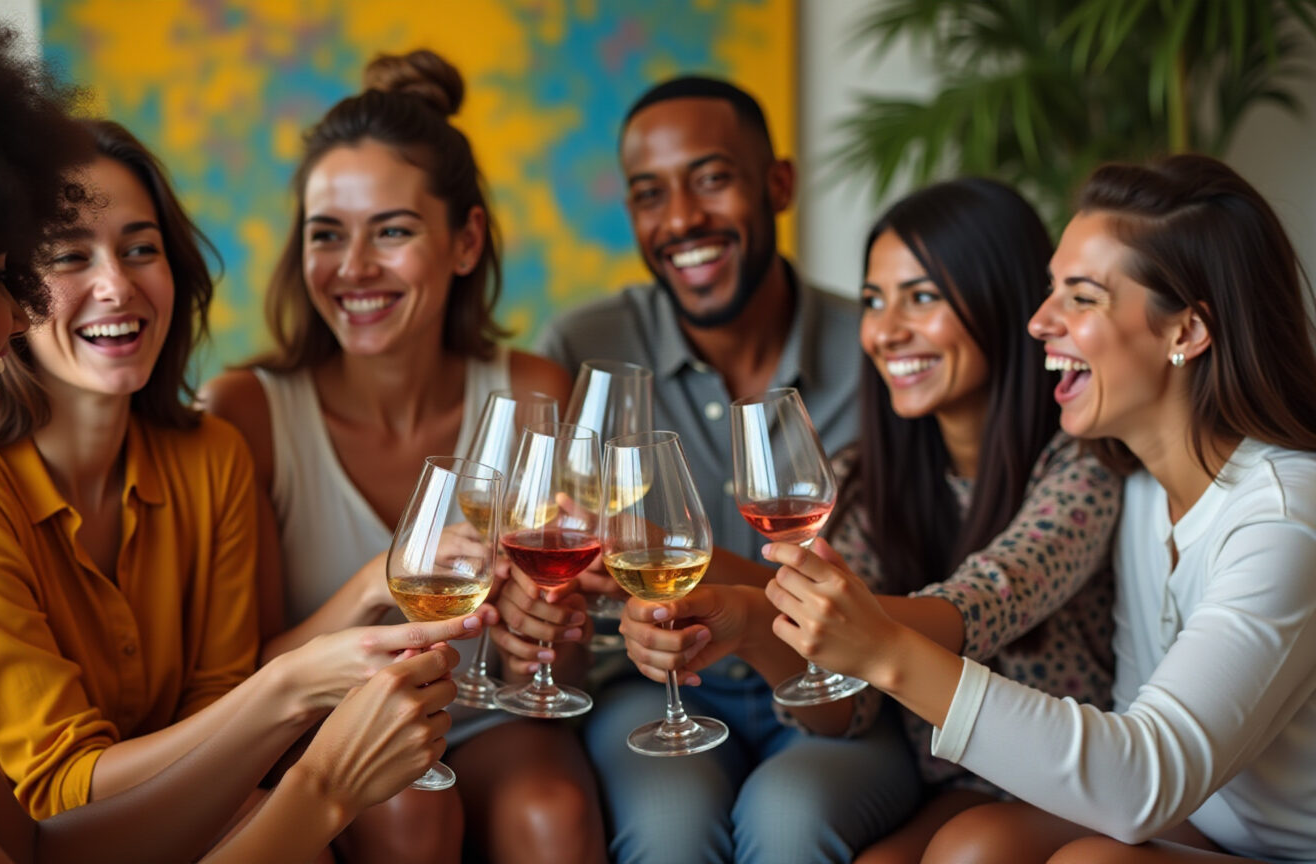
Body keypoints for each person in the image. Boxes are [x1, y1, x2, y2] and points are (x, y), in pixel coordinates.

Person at [0, 2, 464, 863]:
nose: (16, 311)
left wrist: (295, 690)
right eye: (8, 276)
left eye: (141, 251)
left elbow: (39, 847)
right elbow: (63, 796)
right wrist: (320, 781)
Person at [0, 115, 493, 837]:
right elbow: (59, 794)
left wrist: (357, 608)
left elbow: (218, 705)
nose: (117, 286)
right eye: (70, 257)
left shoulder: (212, 457)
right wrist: (289, 689)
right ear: (9, 292)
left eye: (141, 250)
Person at [761, 154, 1316, 864]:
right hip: (1203, 822)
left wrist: (887, 650)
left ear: (1186, 332)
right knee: (968, 849)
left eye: (1080, 298)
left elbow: (1143, 779)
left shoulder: (1284, 517)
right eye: (1050, 290)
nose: (1036, 322)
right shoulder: (1139, 484)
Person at [619, 178, 1122, 862]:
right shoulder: (866, 472)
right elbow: (839, 710)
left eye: (922, 297)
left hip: (1070, 780)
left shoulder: (1082, 462)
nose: (886, 332)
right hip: (956, 783)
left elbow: (988, 600)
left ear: (1007, 301)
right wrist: (746, 630)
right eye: (872, 301)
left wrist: (755, 604)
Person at [201, 50, 606, 864]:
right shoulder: (248, 411)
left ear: (465, 242)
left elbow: (569, 649)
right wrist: (376, 583)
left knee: (551, 812)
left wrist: (549, 631)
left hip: (486, 711)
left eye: (391, 231)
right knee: (405, 818)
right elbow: (245, 671)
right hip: (327, 725)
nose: (353, 269)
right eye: (327, 235)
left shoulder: (533, 388)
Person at [526, 75, 902, 863]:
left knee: (793, 822)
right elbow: (558, 543)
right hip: (649, 682)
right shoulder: (583, 348)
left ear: (779, 185)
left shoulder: (880, 351)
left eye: (712, 179)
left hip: (836, 684)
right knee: (666, 830)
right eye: (649, 194)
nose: (683, 219)